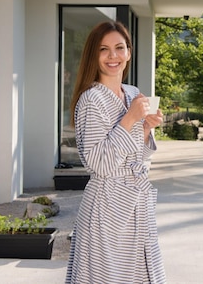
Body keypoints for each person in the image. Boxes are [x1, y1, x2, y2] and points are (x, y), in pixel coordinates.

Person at [65, 21, 167, 284]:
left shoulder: (132, 93)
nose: (113, 56)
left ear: (129, 53)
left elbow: (137, 156)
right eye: (104, 49)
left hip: (137, 203)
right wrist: (130, 119)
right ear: (93, 55)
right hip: (107, 207)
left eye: (119, 48)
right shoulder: (91, 100)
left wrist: (145, 128)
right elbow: (99, 164)